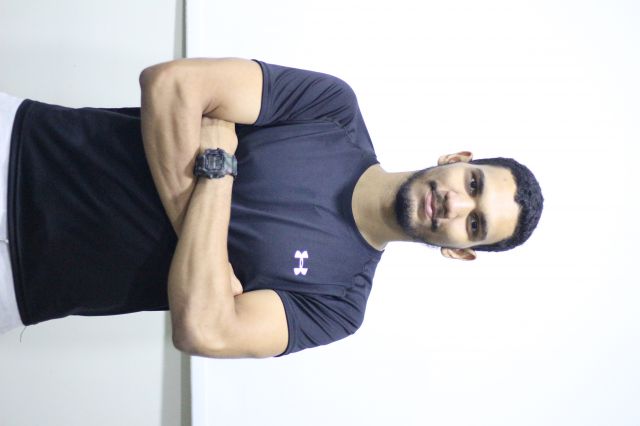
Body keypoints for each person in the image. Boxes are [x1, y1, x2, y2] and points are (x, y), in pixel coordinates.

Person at [0, 58, 543, 358]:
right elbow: (170, 85)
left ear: (459, 252)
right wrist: (210, 268)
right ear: (456, 159)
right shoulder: (332, 111)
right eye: (472, 183)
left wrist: (217, 172)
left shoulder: (338, 304)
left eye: (474, 223)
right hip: (21, 146)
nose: (455, 203)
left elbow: (203, 332)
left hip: (20, 285)